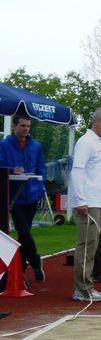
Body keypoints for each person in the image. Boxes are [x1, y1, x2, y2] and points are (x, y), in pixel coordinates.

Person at [68, 107, 101, 302]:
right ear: (98, 122)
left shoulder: (97, 142)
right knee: (87, 247)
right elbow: (77, 171)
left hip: (95, 202)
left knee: (92, 246)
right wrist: (80, 200)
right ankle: (82, 289)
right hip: (88, 203)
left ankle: (86, 287)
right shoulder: (86, 142)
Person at [0, 114, 46, 281]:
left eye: (28, 126)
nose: (26, 129)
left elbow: (41, 169)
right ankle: (35, 262)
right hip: (14, 196)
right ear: (14, 126)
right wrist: (12, 170)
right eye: (23, 125)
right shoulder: (4, 145)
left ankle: (20, 271)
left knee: (23, 234)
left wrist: (40, 189)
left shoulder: (36, 146)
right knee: (23, 231)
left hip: (32, 195)